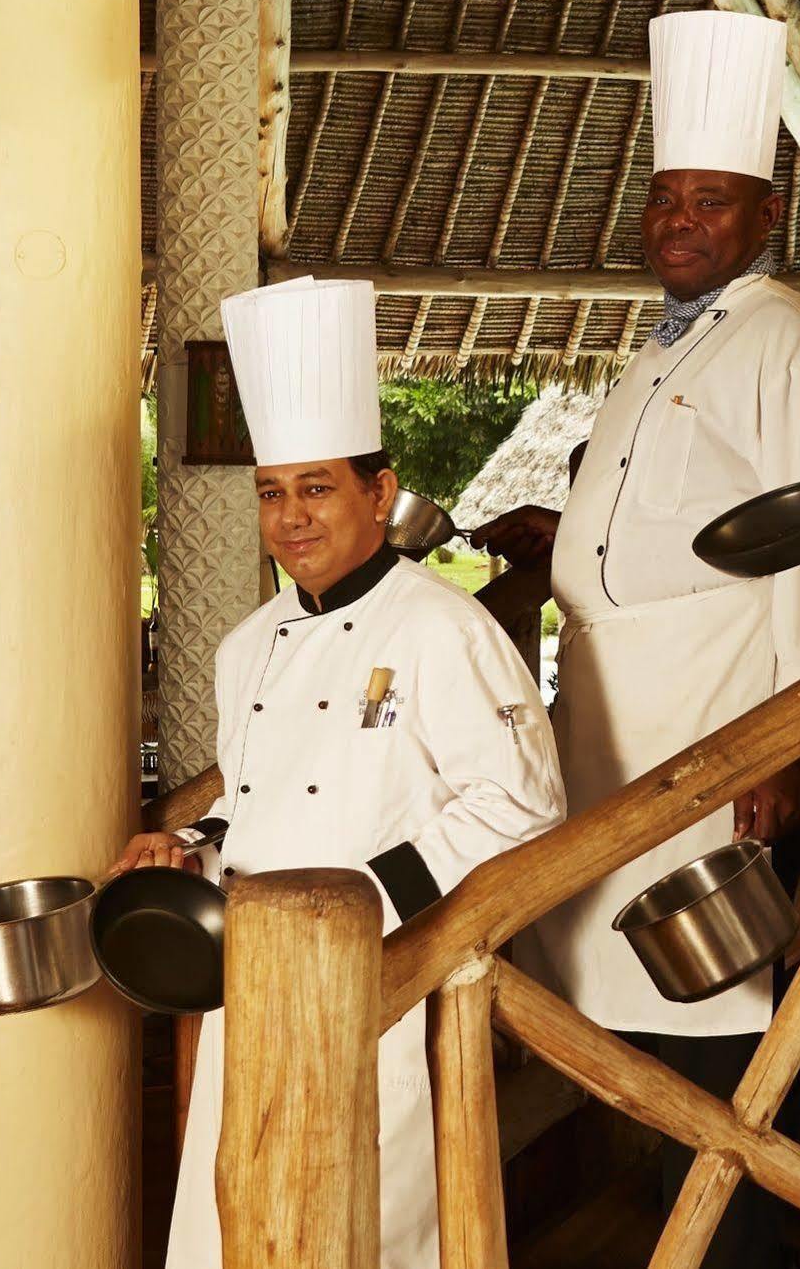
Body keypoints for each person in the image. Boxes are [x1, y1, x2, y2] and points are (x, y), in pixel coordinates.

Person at [481, 9, 800, 1269]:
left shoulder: (790, 340)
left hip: (718, 721)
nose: (679, 221)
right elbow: (671, 512)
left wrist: (793, 745)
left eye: (711, 202)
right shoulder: (661, 343)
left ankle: (738, 1237)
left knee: (709, 1012)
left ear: (766, 218)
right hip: (613, 713)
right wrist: (574, 532)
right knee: (634, 998)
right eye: (665, 198)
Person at [111, 276, 566, 1269]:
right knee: (238, 1216)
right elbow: (254, 795)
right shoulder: (249, 643)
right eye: (273, 492)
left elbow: (523, 804)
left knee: (372, 1221)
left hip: (380, 982)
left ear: (375, 489)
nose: (292, 516)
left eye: (316, 487)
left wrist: (364, 895)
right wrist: (193, 846)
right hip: (251, 977)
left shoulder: (444, 627)